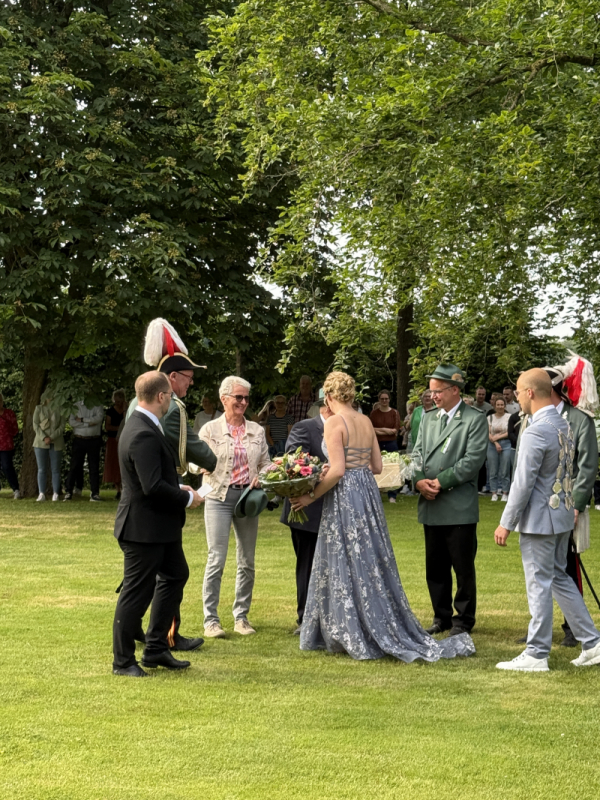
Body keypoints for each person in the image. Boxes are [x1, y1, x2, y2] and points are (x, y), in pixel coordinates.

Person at [290, 371, 474, 662]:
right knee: (369, 555)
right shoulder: (365, 421)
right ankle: (371, 618)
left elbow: (337, 471)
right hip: (366, 492)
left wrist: (309, 496)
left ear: (329, 396)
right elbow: (376, 466)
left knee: (344, 554)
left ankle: (350, 627)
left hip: (344, 494)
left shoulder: (335, 422)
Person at [494, 368, 600, 671]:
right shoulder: (563, 423)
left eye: (518, 392)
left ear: (530, 393)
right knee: (559, 579)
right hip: (561, 515)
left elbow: (522, 483)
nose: (516, 397)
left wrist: (506, 522)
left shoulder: (536, 430)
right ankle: (592, 643)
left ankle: (537, 653)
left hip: (539, 520)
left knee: (539, 584)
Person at [128, 317, 218, 651]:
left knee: (157, 571)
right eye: (189, 379)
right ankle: (165, 636)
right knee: (167, 572)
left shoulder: (137, 402)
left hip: (142, 494)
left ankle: (147, 633)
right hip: (162, 491)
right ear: (173, 378)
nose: (190, 385)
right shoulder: (174, 407)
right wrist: (212, 460)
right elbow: (187, 448)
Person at [112, 371, 204, 677]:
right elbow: (151, 486)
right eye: (170, 397)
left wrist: (178, 487)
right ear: (161, 396)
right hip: (143, 528)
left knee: (176, 574)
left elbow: (152, 476)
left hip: (159, 526)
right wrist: (188, 498)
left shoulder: (143, 425)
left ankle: (156, 648)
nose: (172, 402)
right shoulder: (142, 431)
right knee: (136, 593)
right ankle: (123, 662)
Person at [412, 364, 488, 635]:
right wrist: (418, 480)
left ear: (455, 389)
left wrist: (440, 481)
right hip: (431, 503)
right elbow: (416, 452)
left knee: (462, 567)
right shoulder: (427, 418)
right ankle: (441, 617)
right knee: (435, 567)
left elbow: (473, 461)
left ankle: (463, 619)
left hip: (458, 505)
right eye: (431, 391)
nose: (432, 396)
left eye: (438, 391)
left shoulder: (474, 419)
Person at [199, 376, 271, 638]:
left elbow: (266, 463)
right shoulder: (210, 430)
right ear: (224, 399)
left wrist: (262, 476)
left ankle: (241, 617)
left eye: (246, 398)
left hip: (247, 499)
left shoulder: (257, 430)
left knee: (247, 560)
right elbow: (193, 459)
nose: (243, 402)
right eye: (238, 397)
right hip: (218, 496)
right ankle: (211, 621)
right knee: (216, 558)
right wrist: (199, 466)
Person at [280, 398, 332, 634]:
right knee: (308, 566)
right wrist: (323, 469)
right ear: (327, 405)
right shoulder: (305, 427)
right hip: (306, 509)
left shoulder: (345, 428)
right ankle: (305, 620)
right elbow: (294, 462)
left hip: (334, 509)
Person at [63, 399, 104, 502]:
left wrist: (81, 420)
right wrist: (88, 423)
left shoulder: (97, 404)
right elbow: (72, 422)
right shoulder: (76, 405)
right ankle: (69, 491)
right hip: (79, 439)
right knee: (74, 465)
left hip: (94, 439)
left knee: (94, 467)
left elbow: (98, 418)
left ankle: (95, 493)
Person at [33, 388, 66, 501]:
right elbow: (35, 425)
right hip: (40, 442)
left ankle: (55, 493)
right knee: (41, 469)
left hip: (56, 441)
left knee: (55, 469)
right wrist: (44, 437)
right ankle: (41, 493)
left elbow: (62, 426)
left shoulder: (61, 409)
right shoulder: (39, 408)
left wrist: (52, 437)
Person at [369, 389, 402, 503]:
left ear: (389, 400)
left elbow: (395, 430)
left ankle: (392, 495)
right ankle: (377, 493)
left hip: (391, 443)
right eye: (382, 399)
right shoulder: (374, 414)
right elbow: (371, 429)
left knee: (392, 468)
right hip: (377, 443)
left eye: (386, 399)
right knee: (376, 467)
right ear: (379, 400)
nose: (384, 401)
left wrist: (380, 430)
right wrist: (385, 430)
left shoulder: (394, 413)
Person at [103, 389, 127, 499]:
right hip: (113, 440)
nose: (117, 403)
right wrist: (119, 429)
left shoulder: (127, 410)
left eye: (119, 401)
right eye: (116, 401)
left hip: (124, 440)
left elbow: (127, 422)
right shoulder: (110, 411)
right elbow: (107, 426)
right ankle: (118, 490)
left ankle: (125, 488)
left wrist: (125, 410)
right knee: (114, 464)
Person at [487, 396, 511, 502]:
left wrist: (498, 438)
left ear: (505, 406)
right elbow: (488, 432)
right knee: (493, 470)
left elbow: (510, 431)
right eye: (498, 405)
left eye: (502, 404)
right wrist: (495, 442)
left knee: (505, 469)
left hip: (506, 443)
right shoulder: (490, 417)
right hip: (492, 444)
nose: (500, 406)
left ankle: (505, 492)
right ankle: (494, 493)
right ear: (494, 406)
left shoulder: (509, 417)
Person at [0, 392, 20, 499]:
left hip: (6, 446)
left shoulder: (9, 413)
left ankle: (16, 489)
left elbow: (15, 429)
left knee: (7, 466)